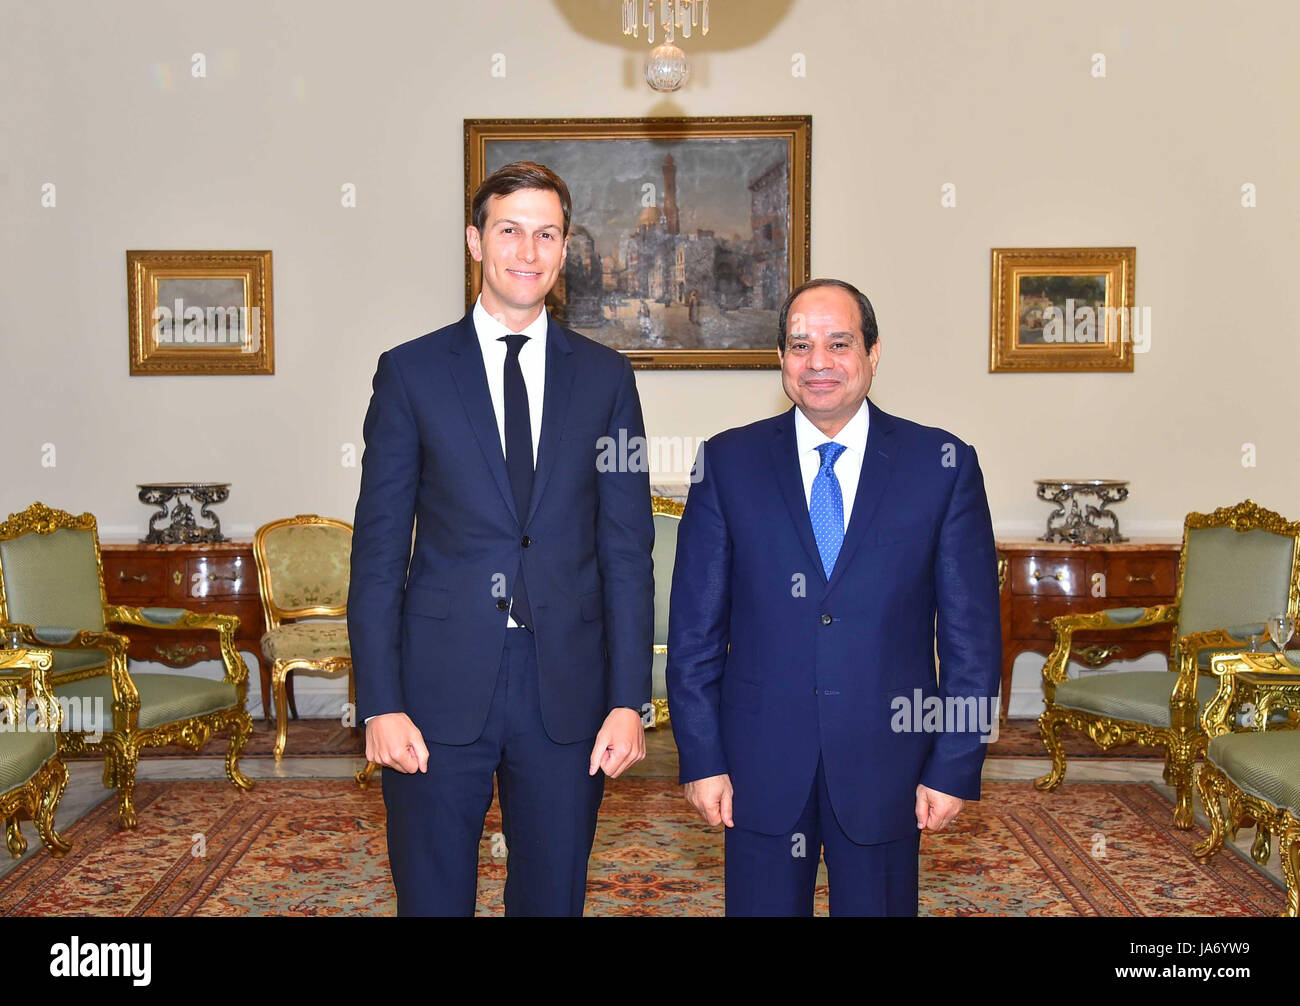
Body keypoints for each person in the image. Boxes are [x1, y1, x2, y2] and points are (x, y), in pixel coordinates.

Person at [347, 161, 654, 916]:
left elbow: (626, 550)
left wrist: (627, 701)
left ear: (564, 246)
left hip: (568, 691)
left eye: (546, 233)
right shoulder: (411, 373)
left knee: (553, 898)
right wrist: (379, 702)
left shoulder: (608, 379)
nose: (528, 249)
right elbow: (380, 552)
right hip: (434, 687)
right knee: (432, 897)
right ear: (474, 242)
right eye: (509, 229)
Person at [666, 277, 1001, 916]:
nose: (818, 363)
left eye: (839, 343)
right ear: (782, 360)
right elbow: (694, 636)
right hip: (757, 765)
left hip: (890, 764)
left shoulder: (942, 465)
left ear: (873, 353)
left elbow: (971, 640)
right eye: (800, 345)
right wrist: (701, 757)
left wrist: (955, 763)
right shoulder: (727, 463)